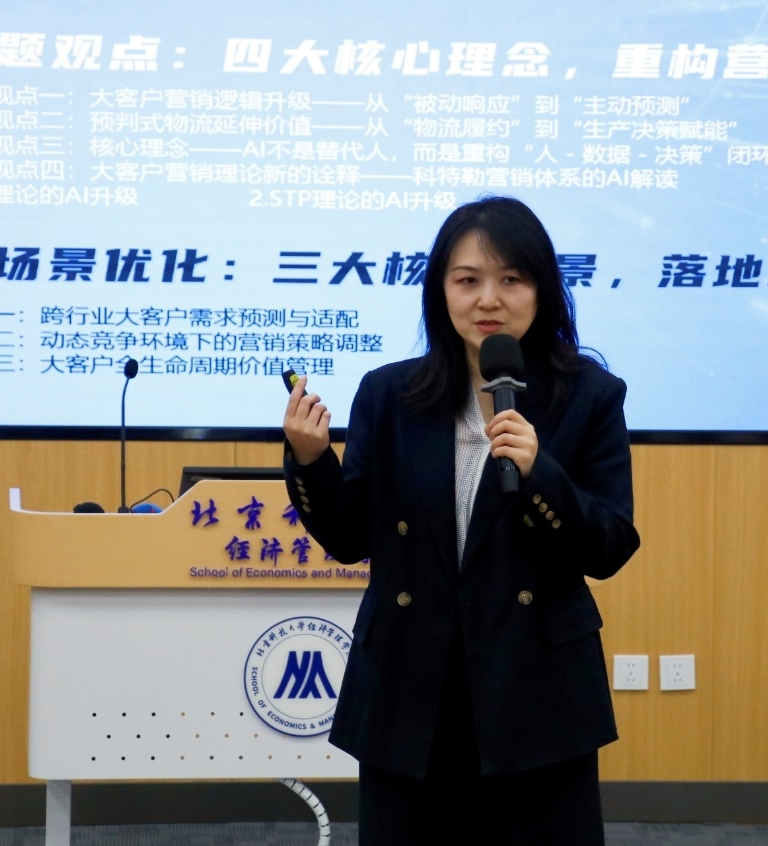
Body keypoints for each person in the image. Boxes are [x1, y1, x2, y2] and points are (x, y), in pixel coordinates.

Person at [281, 196, 640, 845]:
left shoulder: (589, 395)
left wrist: (541, 474)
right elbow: (349, 537)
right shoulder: (390, 395)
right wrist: (311, 461)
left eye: (511, 279)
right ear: (440, 291)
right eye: (468, 280)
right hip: (411, 687)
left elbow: (610, 545)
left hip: (536, 690)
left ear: (542, 289)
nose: (488, 299)